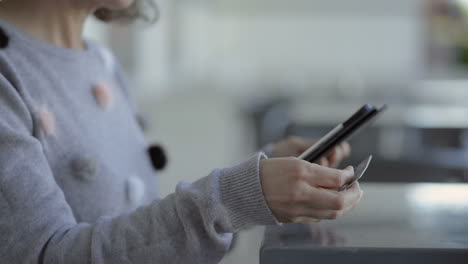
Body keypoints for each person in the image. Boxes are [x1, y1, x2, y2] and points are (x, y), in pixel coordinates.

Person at [0, 0, 363, 263]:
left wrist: (250, 188)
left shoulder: (100, 61)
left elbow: (136, 240)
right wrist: (232, 199)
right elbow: (42, 255)